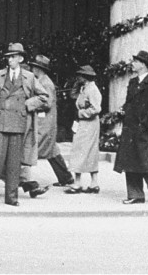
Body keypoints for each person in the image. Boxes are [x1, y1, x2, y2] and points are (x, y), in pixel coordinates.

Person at [0, 42, 50, 207]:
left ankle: (12, 198)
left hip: (19, 123)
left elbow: (44, 96)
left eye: (13, 57)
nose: (9, 60)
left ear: (20, 58)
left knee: (14, 162)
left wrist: (28, 105)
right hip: (0, 122)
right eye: (8, 57)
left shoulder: (29, 77)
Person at [113, 50, 148, 204]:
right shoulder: (133, 82)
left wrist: (145, 125)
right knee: (130, 159)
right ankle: (135, 195)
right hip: (129, 126)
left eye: (136, 61)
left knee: (141, 158)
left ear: (143, 65)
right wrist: (123, 111)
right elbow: (129, 102)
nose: (133, 64)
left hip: (142, 128)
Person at [28, 54, 74, 187]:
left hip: (44, 122)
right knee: (52, 151)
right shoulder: (42, 81)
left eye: (34, 67)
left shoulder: (45, 83)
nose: (32, 69)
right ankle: (66, 178)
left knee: (30, 149)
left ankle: (16, 177)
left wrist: (31, 104)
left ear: (39, 69)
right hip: (46, 121)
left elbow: (47, 104)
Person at [65, 65, 102, 194]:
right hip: (84, 123)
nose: (78, 77)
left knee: (82, 150)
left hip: (89, 123)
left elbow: (96, 108)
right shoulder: (84, 88)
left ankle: (80, 182)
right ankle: (91, 182)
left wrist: (82, 113)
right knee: (82, 150)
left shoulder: (92, 89)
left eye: (80, 75)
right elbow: (73, 96)